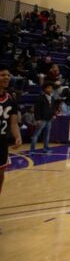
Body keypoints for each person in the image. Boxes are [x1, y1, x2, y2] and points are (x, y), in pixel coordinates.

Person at [0, 66, 22, 204]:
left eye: (8, 75)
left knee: (0, 176)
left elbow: (13, 123)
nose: (6, 77)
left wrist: (17, 136)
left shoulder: (11, 99)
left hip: (2, 143)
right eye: (2, 75)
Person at [30, 81, 56, 153]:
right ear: (44, 89)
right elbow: (37, 109)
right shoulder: (40, 98)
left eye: (51, 88)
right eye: (48, 88)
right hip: (42, 119)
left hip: (49, 119)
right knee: (36, 135)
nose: (50, 89)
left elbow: (53, 107)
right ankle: (32, 149)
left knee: (47, 134)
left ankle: (46, 148)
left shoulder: (52, 97)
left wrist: (53, 114)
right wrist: (38, 119)